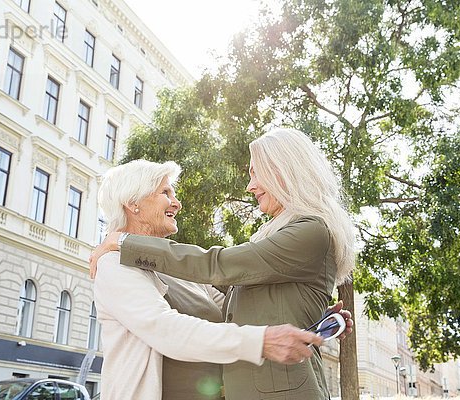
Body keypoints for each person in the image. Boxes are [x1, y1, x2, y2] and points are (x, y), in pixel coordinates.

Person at [90, 128, 356, 399]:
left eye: (255, 173)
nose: (177, 202)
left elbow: (222, 282)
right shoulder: (114, 264)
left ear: (284, 170)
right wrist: (268, 334)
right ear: (133, 204)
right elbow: (167, 329)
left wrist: (297, 313)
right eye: (165, 192)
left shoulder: (306, 230)